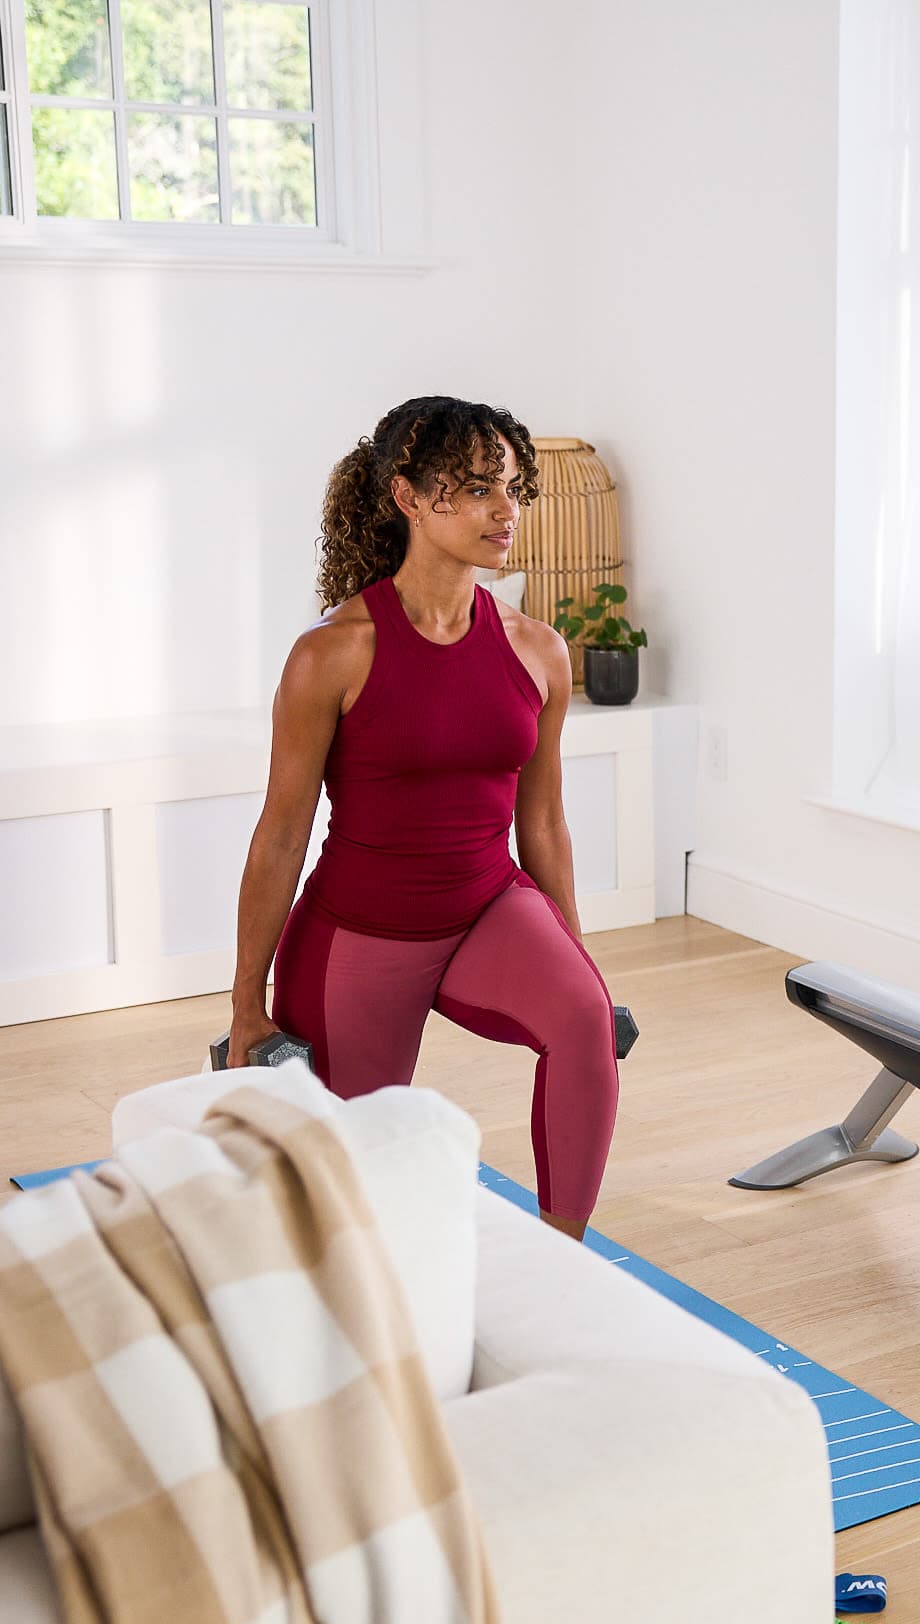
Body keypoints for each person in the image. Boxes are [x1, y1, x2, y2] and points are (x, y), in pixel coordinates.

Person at [225, 395, 619, 1237]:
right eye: (476, 489)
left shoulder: (536, 648)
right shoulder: (333, 652)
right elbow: (282, 835)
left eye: (513, 488)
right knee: (351, 1205)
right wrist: (243, 1003)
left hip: (486, 908)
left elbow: (542, 824)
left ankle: (563, 1260)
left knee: (583, 1019)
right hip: (360, 938)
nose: (504, 511)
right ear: (407, 496)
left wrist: (576, 954)